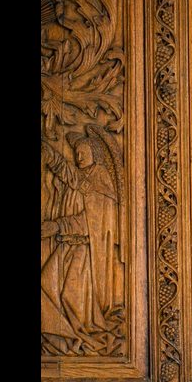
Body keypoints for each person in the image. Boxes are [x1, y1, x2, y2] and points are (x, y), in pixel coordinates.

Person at [40, 126, 124, 355]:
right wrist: (49, 152)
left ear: (94, 153)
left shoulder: (99, 177)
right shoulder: (81, 176)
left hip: (82, 248)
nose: (78, 155)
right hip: (66, 243)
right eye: (76, 151)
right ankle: (60, 337)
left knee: (70, 294)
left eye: (82, 150)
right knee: (46, 284)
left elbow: (93, 220)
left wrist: (57, 225)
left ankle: (78, 336)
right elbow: (66, 172)